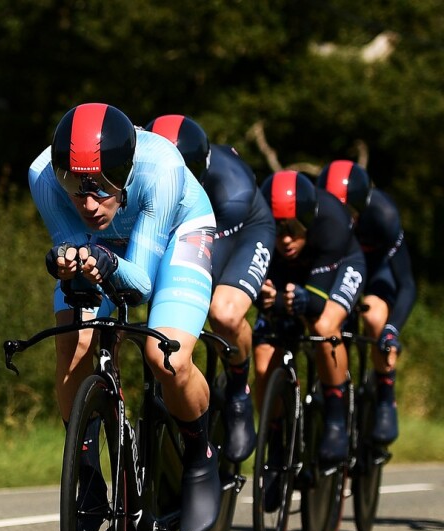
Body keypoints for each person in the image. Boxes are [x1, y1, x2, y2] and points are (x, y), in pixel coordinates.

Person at [29, 103, 220, 531]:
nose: (89, 204)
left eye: (101, 189)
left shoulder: (163, 169)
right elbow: (76, 251)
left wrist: (99, 259)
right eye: (77, 190)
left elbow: (140, 286)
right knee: (74, 343)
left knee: (165, 355)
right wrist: (69, 260)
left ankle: (199, 453)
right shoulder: (42, 175)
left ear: (125, 171)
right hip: (106, 246)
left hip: (177, 234)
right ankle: (89, 477)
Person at [145, 114, 274, 463]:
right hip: (185, 224)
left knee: (223, 313)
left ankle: (237, 389)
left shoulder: (232, 190)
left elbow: (198, 266)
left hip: (243, 230)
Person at [255, 170, 366, 464]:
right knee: (263, 353)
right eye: (278, 229)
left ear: (310, 218)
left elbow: (316, 303)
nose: (287, 239)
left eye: (295, 226)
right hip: (290, 275)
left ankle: (335, 415)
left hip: (340, 266)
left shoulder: (332, 221)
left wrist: (296, 299)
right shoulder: (258, 224)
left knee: (324, 325)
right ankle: (276, 438)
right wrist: (263, 296)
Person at [316, 159, 416, 443]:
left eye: (347, 211)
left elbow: (407, 284)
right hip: (338, 267)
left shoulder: (383, 215)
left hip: (375, 272)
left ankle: (385, 393)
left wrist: (391, 329)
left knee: (374, 317)